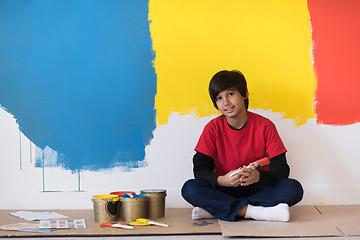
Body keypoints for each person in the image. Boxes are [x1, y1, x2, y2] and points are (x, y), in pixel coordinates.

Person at [181, 70, 303, 222]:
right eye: (219, 98)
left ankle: (216, 209)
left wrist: (258, 177)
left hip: (258, 188)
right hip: (224, 189)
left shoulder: (265, 126)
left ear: (244, 94)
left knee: (293, 189)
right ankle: (253, 212)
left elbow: (282, 168)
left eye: (230, 94)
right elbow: (200, 169)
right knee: (190, 188)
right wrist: (221, 180)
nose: (226, 102)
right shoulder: (212, 129)